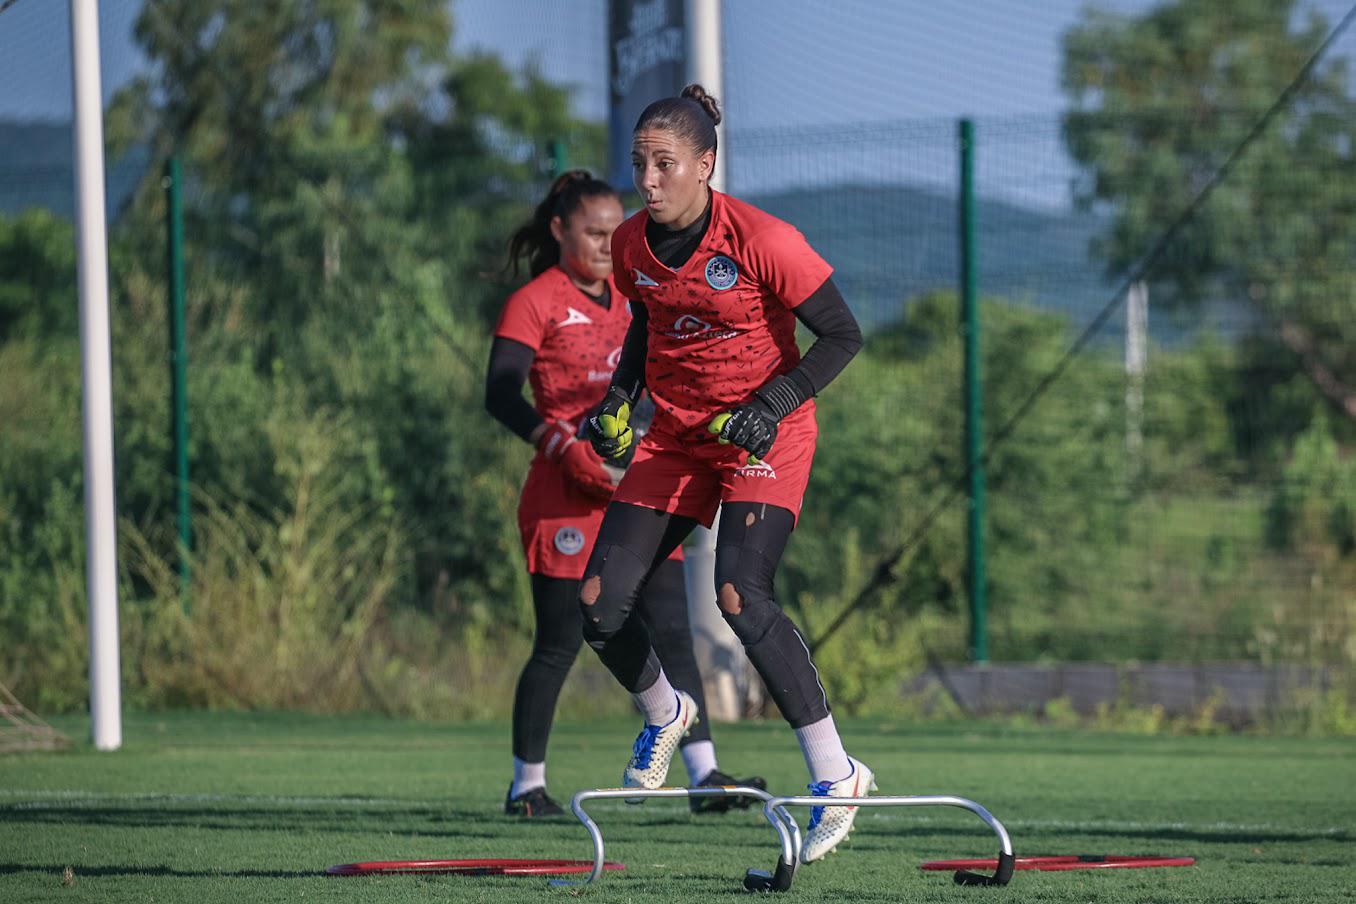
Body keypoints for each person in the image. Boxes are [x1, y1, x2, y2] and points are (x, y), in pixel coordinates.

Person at [578, 86, 868, 863]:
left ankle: (836, 777)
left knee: (738, 595)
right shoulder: (632, 243)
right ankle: (666, 710)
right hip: (675, 438)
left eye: (665, 163)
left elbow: (842, 334)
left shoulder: (764, 238)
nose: (647, 178)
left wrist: (772, 402)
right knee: (599, 606)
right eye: (639, 163)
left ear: (706, 165)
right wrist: (617, 397)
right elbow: (646, 320)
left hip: (762, 437)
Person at [485, 169, 764, 818]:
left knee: (671, 628)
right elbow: (499, 392)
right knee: (559, 640)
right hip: (565, 496)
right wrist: (561, 444)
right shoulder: (537, 300)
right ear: (558, 230)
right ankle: (527, 786)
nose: (610, 245)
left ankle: (704, 776)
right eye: (594, 232)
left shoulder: (632, 293)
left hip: (637, 488)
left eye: (617, 231)